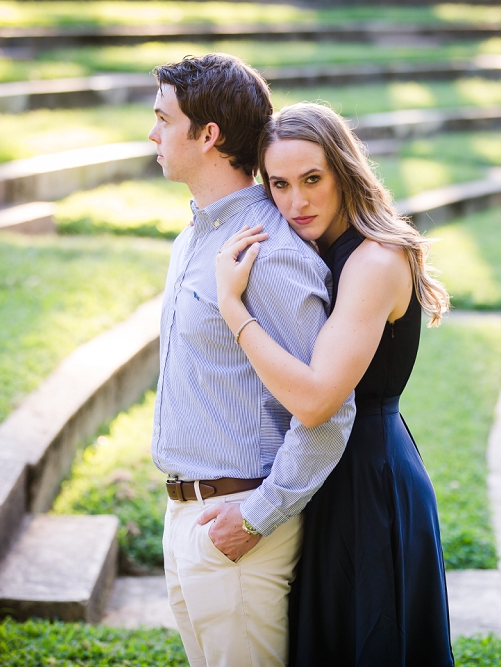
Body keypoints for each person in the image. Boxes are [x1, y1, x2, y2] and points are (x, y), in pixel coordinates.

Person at [214, 101, 454, 666]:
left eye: (312, 180)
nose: (296, 202)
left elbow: (319, 398)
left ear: (344, 172)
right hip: (328, 473)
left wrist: (232, 307)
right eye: (279, 184)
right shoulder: (318, 252)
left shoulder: (375, 260)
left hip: (368, 480)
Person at [147, 56, 355, 667]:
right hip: (188, 516)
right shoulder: (196, 236)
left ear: (207, 135)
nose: (152, 135)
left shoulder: (269, 251)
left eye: (163, 120)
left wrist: (256, 519)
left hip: (239, 526)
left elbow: (326, 408)